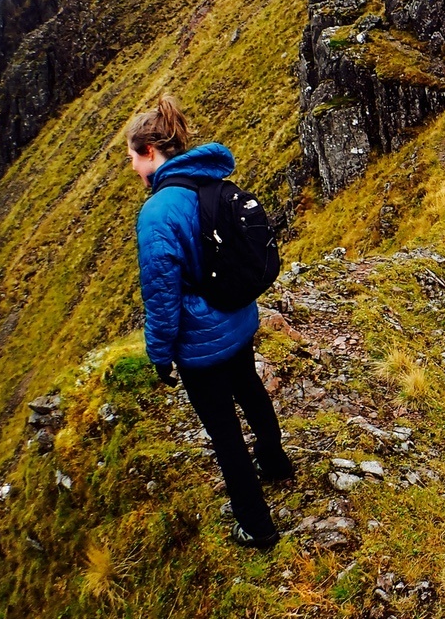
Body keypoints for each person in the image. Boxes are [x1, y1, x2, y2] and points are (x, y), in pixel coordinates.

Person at [126, 95, 293, 549]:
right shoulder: (208, 182)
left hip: (200, 341)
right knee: (251, 389)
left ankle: (256, 525)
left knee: (223, 431)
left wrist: (160, 354)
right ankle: (275, 461)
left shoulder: (158, 211)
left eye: (133, 160)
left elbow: (161, 295)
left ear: (149, 152)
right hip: (237, 316)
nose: (135, 171)